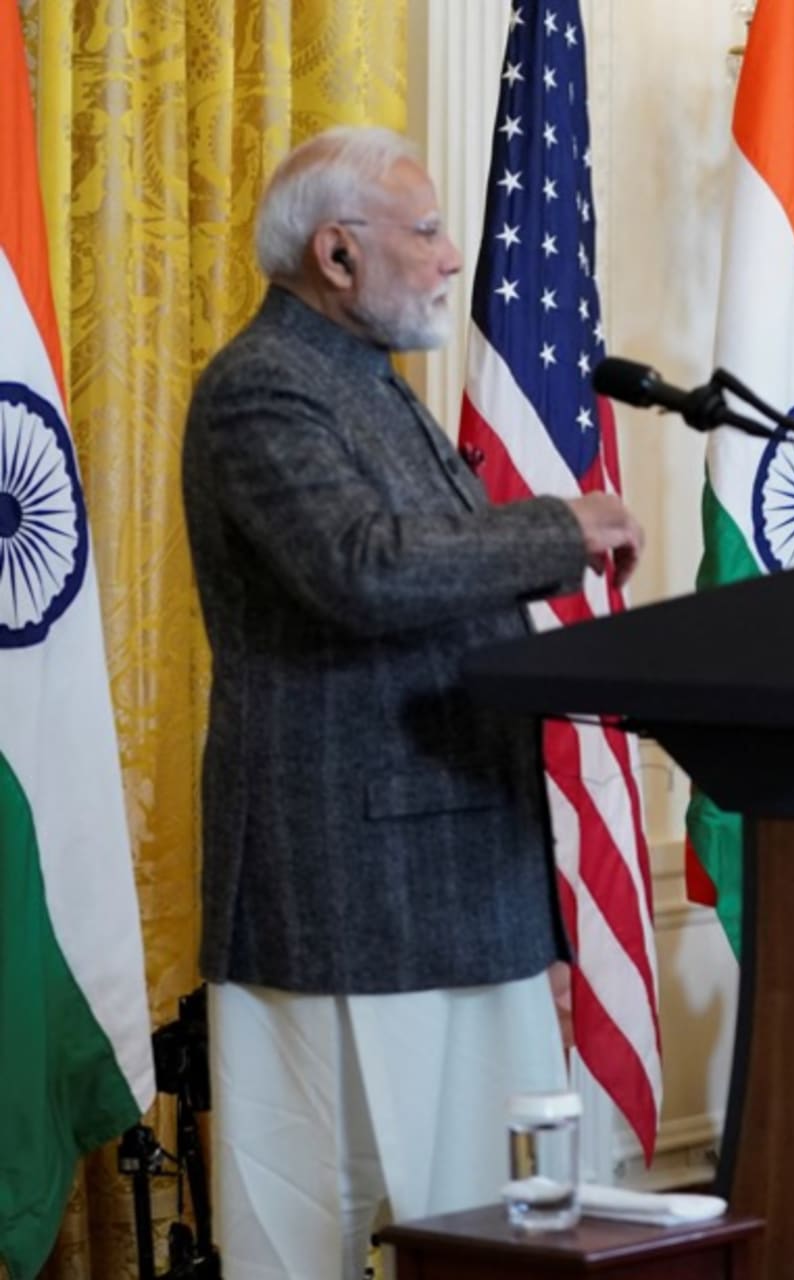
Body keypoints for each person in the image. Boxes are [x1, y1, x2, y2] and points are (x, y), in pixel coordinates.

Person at [181, 126, 642, 1280]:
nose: (451, 260)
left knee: (504, 1217)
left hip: (452, 867)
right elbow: (364, 568)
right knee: (322, 1224)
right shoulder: (261, 388)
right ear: (336, 255)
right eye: (428, 230)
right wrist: (556, 530)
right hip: (344, 884)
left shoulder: (367, 386)